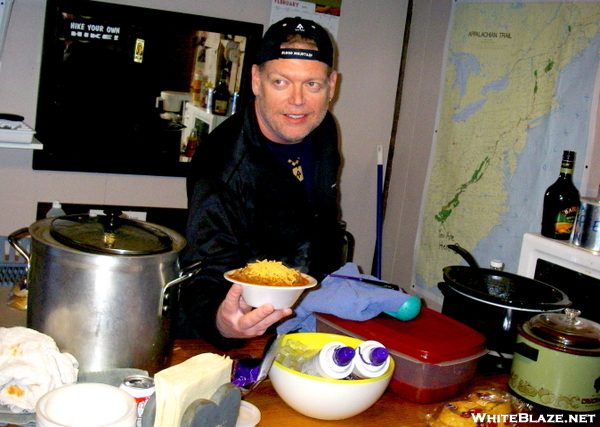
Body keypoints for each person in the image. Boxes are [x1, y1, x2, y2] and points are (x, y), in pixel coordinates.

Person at [180, 17, 342, 350]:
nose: (298, 101)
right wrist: (223, 322)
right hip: (247, 329)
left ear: (331, 86)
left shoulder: (323, 129)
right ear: (256, 80)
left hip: (311, 310)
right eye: (281, 82)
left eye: (312, 84)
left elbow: (321, 215)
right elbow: (204, 274)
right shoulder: (222, 167)